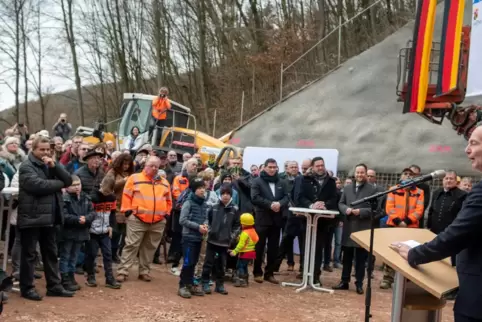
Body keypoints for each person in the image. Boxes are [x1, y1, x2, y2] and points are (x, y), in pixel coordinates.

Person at [392, 125, 482, 322]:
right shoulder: (438, 194)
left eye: (474, 143)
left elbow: (457, 235)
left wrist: (414, 253)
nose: (467, 150)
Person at [18, 136, 74, 301]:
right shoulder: (26, 166)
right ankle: (27, 288)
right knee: (29, 255)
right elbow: (38, 186)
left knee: (50, 252)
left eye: (47, 149)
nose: (45, 152)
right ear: (33, 149)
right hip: (32, 217)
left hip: (50, 216)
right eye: (41, 149)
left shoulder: (49, 165)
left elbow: (68, 180)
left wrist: (55, 167)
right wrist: (60, 185)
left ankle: (54, 286)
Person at [116, 156, 172, 283]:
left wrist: (166, 214)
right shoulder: (134, 178)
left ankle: (144, 271)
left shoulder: (164, 182)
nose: (154, 168)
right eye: (151, 165)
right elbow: (126, 195)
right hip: (137, 218)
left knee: (150, 247)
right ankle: (122, 271)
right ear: (145, 165)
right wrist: (128, 212)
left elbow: (169, 200)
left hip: (158, 221)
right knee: (131, 245)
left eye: (156, 166)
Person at [333, 163, 375, 295]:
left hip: (363, 228)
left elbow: (376, 209)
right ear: (354, 173)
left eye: (362, 172)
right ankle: (344, 281)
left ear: (366, 174)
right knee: (347, 257)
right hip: (349, 226)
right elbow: (340, 203)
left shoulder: (372, 190)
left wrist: (361, 211)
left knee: (361, 259)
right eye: (357, 172)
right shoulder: (347, 188)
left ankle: (359, 283)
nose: (359, 175)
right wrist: (346, 210)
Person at [251, 158, 290, 284]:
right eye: (270, 167)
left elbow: (287, 197)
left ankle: (270, 273)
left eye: (274, 167)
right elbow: (255, 197)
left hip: (277, 219)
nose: (272, 169)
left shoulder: (282, 182)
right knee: (259, 247)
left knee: (273, 248)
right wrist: (270, 204)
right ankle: (257, 272)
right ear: (265, 168)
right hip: (262, 219)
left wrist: (280, 204)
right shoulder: (257, 181)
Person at [201, 183, 240, 295]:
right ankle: (205, 283)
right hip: (212, 240)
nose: (225, 196)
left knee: (222, 264)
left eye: (228, 194)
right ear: (220, 194)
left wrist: (231, 237)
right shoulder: (214, 207)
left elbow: (237, 226)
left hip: (225, 242)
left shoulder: (235, 209)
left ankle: (220, 285)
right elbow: (207, 220)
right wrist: (209, 231)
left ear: (231, 195)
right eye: (223, 193)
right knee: (208, 263)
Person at [59, 175, 95, 292]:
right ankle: (64, 279)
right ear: (67, 187)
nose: (76, 187)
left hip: (81, 232)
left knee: (74, 256)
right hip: (68, 232)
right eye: (73, 185)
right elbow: (63, 215)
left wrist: (87, 218)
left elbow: (92, 212)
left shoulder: (86, 198)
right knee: (66, 256)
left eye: (78, 184)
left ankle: (71, 276)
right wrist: (77, 219)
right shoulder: (64, 198)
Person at [86, 176, 121, 289]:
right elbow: (88, 213)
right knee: (91, 254)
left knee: (108, 254)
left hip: (105, 231)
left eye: (109, 191)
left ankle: (109, 279)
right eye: (105, 190)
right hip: (92, 231)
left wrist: (111, 226)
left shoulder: (112, 198)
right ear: (101, 185)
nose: (106, 193)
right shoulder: (93, 197)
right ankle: (90, 276)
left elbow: (112, 214)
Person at [178, 177, 209, 299]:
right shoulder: (188, 202)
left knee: (194, 262)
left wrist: (205, 225)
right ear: (194, 189)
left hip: (199, 237)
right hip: (188, 237)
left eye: (203, 188)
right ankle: (183, 285)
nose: (202, 191)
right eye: (199, 188)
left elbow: (206, 217)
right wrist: (198, 227)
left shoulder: (204, 203)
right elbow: (182, 220)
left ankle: (190, 284)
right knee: (188, 262)